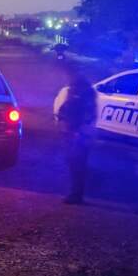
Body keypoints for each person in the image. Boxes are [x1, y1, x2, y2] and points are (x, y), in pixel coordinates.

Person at [56, 71, 97, 204]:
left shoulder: (85, 92)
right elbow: (66, 108)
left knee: (78, 164)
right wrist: (61, 117)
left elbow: (89, 114)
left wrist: (80, 130)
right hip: (71, 132)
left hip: (80, 134)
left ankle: (77, 195)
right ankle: (75, 193)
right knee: (72, 163)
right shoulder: (74, 90)